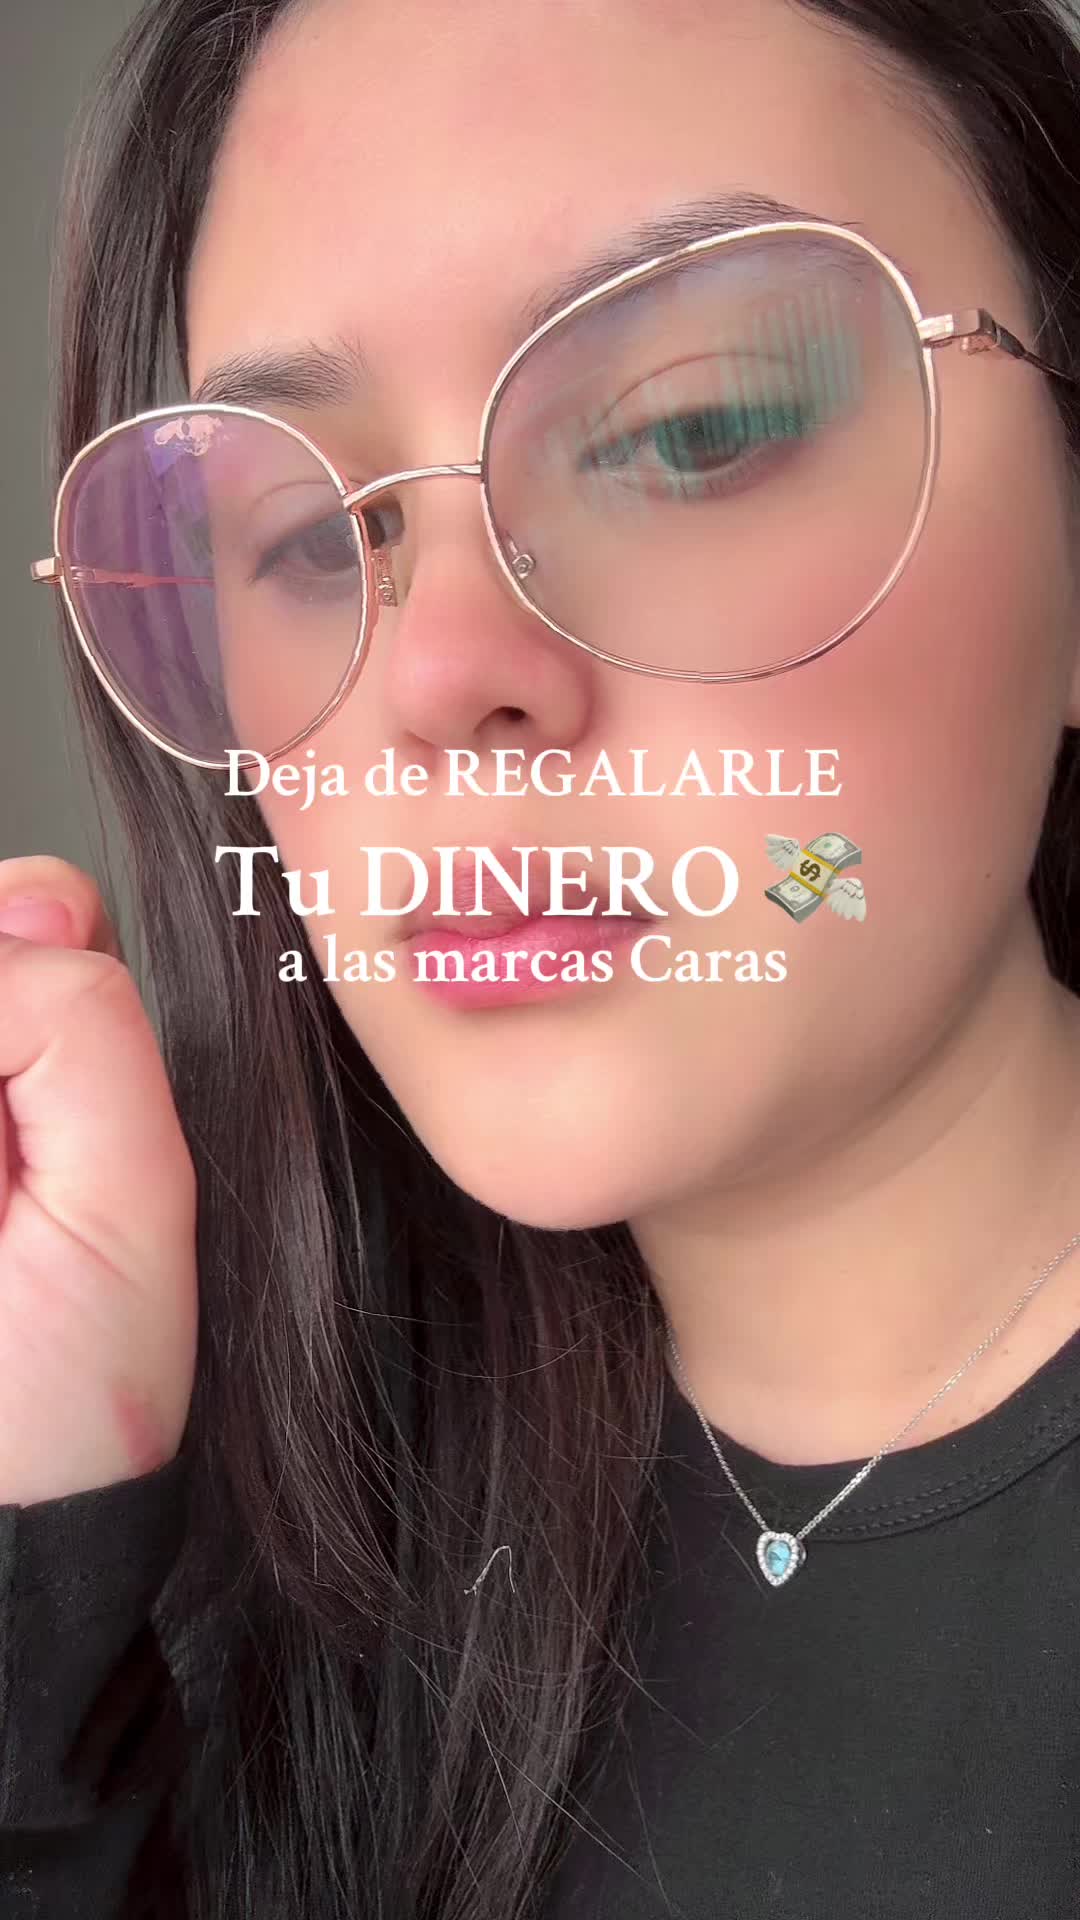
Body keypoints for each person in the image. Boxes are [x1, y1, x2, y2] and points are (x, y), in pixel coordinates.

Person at [4, 0, 1080, 1912]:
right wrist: (45, 1547)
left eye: (694, 429)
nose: (438, 673)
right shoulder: (270, 1546)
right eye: (309, 538)